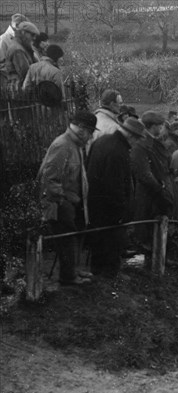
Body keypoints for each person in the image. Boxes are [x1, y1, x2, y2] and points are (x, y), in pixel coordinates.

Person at [37, 110, 97, 286]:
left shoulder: (74, 145)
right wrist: (66, 199)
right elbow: (49, 179)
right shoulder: (62, 145)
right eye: (90, 132)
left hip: (71, 202)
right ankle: (68, 277)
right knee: (66, 239)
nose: (91, 136)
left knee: (74, 237)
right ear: (81, 129)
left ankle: (73, 271)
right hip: (58, 204)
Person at [86, 117, 146, 279]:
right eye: (137, 139)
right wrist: (122, 210)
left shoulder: (103, 141)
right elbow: (115, 185)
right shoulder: (118, 152)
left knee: (100, 240)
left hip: (95, 201)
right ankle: (109, 275)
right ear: (131, 137)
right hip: (109, 206)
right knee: (111, 241)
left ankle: (98, 271)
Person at [131, 111, 174, 265]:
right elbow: (144, 173)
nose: (163, 128)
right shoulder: (143, 144)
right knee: (145, 226)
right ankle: (146, 262)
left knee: (154, 226)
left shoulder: (153, 142)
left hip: (157, 190)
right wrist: (159, 188)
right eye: (161, 125)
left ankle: (154, 261)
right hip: (149, 193)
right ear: (153, 126)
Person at [3, 21, 39, 90]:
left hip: (20, 88)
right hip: (18, 90)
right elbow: (26, 73)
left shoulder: (22, 47)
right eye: (32, 35)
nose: (34, 38)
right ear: (23, 33)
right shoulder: (18, 50)